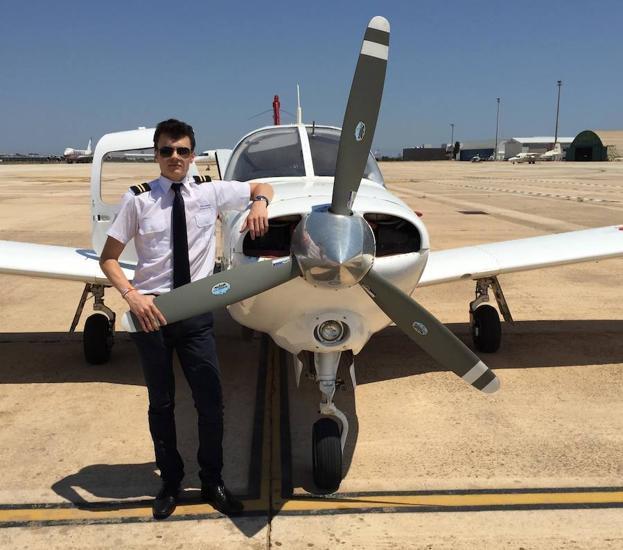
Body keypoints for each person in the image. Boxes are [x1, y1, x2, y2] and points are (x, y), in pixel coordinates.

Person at [99, 118, 273, 520]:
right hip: (151, 314)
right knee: (161, 404)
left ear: (193, 155)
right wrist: (131, 295)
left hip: (194, 312)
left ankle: (212, 480)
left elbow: (261, 187)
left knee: (210, 401)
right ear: (156, 155)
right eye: (166, 150)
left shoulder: (210, 193)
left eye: (182, 150)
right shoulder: (138, 199)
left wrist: (260, 204)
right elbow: (109, 258)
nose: (174, 157)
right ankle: (171, 482)